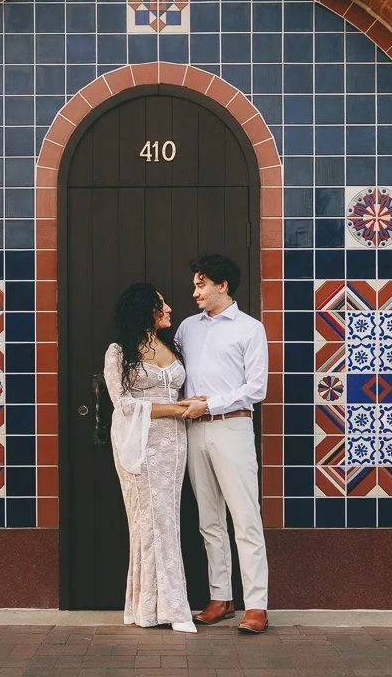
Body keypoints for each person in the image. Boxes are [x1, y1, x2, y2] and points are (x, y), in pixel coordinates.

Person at [175, 254, 270, 634]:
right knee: (209, 521)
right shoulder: (186, 328)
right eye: (195, 284)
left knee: (246, 519)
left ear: (222, 286)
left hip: (232, 427)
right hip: (194, 432)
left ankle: (257, 605)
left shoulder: (250, 329)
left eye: (201, 284)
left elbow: (256, 388)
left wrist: (209, 403)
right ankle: (221, 598)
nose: (195, 291)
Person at [103, 282, 197, 634]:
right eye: (162, 304)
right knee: (147, 522)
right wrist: (176, 408)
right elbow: (123, 404)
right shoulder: (119, 351)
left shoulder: (172, 345)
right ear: (145, 309)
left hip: (174, 445)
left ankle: (154, 607)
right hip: (138, 443)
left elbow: (180, 389)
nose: (170, 308)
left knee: (168, 520)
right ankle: (163, 609)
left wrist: (190, 402)